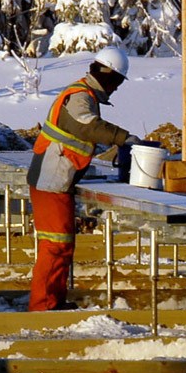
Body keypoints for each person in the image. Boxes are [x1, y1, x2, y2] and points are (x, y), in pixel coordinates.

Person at [27, 47, 132, 311]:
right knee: (56, 246)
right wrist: (123, 138)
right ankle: (43, 308)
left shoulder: (85, 94)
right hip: (51, 181)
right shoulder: (80, 96)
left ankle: (51, 303)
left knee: (59, 246)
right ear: (108, 75)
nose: (117, 88)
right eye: (118, 81)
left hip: (56, 179)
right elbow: (87, 127)